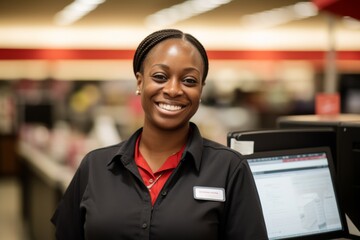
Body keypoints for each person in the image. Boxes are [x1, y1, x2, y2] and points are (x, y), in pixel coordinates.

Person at [51, 29, 268, 240]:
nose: (173, 90)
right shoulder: (95, 166)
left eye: (189, 80)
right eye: (160, 76)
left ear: (201, 90)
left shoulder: (229, 168)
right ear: (139, 82)